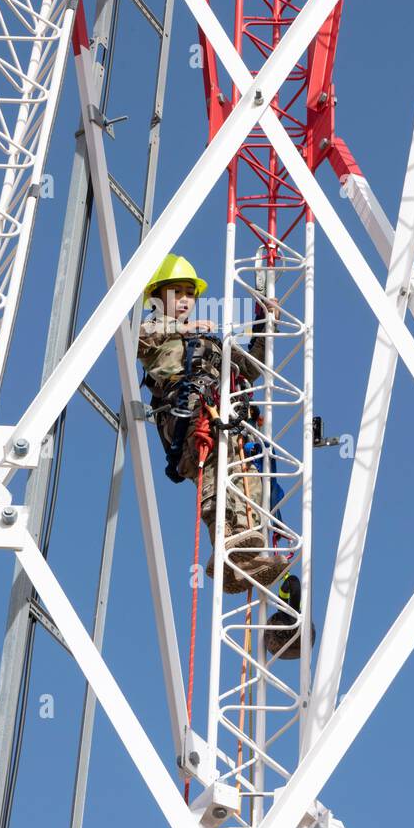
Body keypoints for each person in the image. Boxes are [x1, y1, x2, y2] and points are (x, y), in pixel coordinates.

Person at [137, 253, 291, 595]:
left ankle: (244, 553)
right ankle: (224, 546)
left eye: (190, 294)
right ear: (157, 297)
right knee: (215, 476)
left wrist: (266, 322)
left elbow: (251, 367)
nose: (185, 301)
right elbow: (137, 337)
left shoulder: (211, 341)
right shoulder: (152, 329)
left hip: (223, 418)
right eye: (177, 293)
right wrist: (183, 328)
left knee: (245, 483)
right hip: (189, 417)